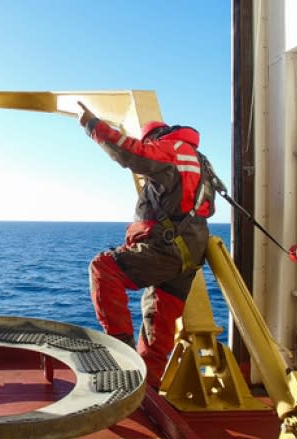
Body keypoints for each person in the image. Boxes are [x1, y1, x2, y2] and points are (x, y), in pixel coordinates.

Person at [76, 101, 215, 388]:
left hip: (166, 250)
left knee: (103, 269)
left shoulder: (170, 149)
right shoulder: (200, 160)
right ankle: (145, 392)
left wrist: (92, 125)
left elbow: (133, 153)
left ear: (155, 138)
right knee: (156, 334)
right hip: (189, 257)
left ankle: (119, 351)